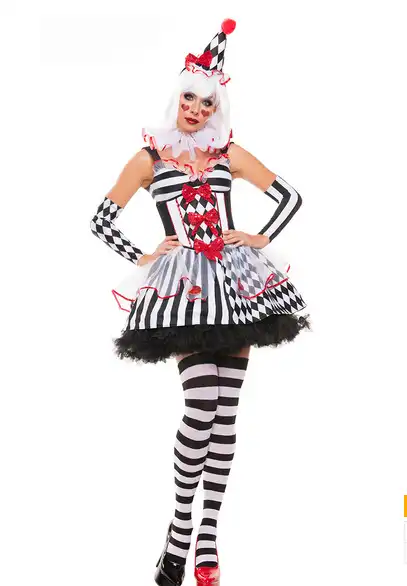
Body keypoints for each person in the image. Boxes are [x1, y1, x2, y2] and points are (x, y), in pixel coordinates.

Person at [90, 18, 311, 586]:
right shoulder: (150, 158)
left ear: (218, 107)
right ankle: (180, 531)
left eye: (206, 102)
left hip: (235, 285)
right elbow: (101, 219)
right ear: (177, 98)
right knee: (201, 405)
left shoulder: (226, 153)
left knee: (226, 414)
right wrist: (144, 254)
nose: (195, 109)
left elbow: (289, 197)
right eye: (189, 98)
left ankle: (206, 537)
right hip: (184, 289)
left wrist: (259, 236)